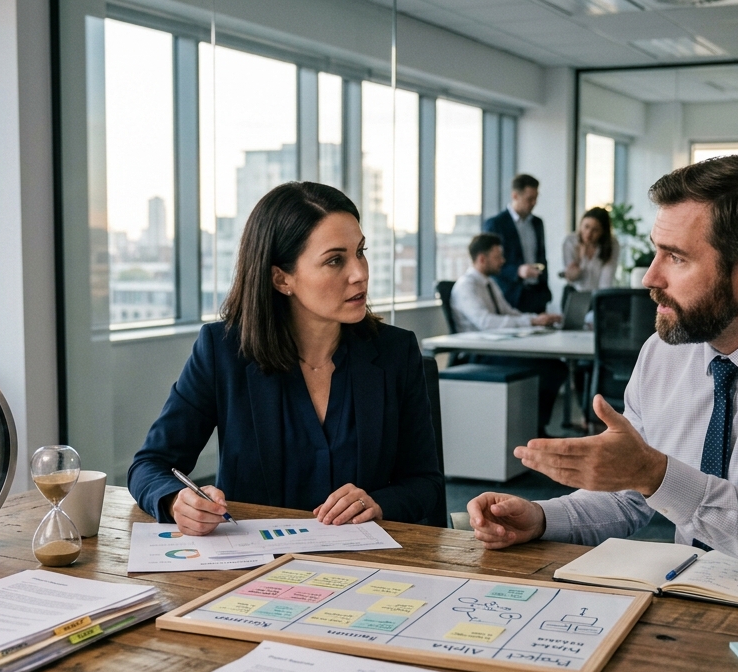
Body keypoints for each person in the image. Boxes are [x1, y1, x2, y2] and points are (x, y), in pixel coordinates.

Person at [466, 155, 738, 574]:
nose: (649, 278)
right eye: (657, 253)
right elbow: (628, 495)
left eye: (676, 257)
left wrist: (653, 472)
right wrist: (541, 517)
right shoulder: (664, 350)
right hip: (691, 594)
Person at [127, 182, 444, 534]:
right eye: (335, 260)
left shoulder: (395, 352)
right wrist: (176, 501)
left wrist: (379, 503)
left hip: (367, 565)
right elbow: (150, 466)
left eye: (361, 252)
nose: (360, 273)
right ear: (281, 278)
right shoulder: (222, 351)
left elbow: (425, 483)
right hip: (254, 565)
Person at [450, 233, 567, 436]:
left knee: (556, 366)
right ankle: (532, 431)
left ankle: (535, 427)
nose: (503, 261)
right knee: (547, 369)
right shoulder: (466, 286)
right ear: (482, 259)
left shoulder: (490, 283)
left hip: (499, 347)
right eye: (498, 256)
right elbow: (487, 323)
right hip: (480, 353)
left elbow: (508, 312)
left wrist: (536, 319)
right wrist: (529, 321)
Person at [483, 174, 551, 313]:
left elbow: (542, 256)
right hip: (511, 295)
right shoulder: (496, 224)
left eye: (536, 198)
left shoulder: (537, 223)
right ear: (515, 196)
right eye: (529, 199)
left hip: (537, 294)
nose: (534, 203)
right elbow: (490, 263)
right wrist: (518, 271)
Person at [562, 207, 619, 293]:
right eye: (586, 227)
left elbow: (607, 278)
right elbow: (571, 277)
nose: (588, 233)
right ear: (580, 225)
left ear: (603, 232)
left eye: (595, 230)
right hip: (574, 294)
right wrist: (580, 259)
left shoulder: (612, 244)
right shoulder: (571, 241)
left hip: (599, 294)